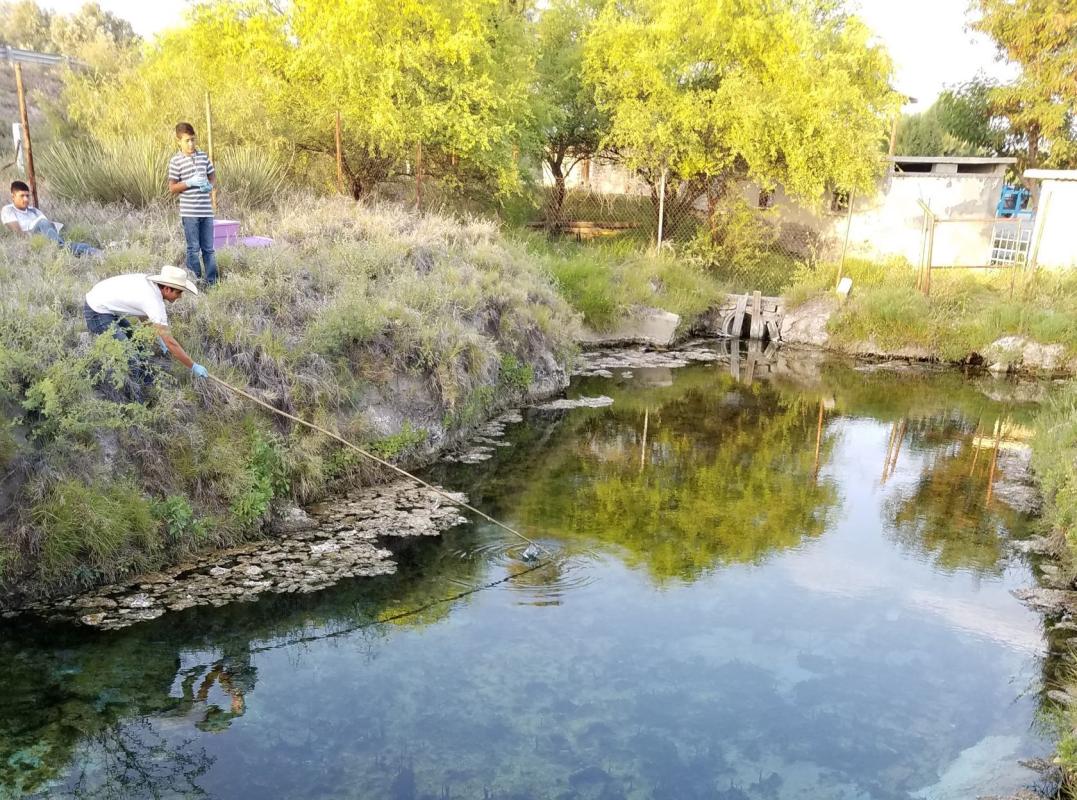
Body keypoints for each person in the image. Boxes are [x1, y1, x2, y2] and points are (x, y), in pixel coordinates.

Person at [84, 265, 210, 387]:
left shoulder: (151, 288)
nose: (180, 296)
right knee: (129, 357)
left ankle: (146, 382)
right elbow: (171, 343)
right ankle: (133, 396)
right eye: (179, 292)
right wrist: (193, 366)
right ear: (167, 289)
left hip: (106, 306)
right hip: (97, 310)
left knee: (137, 344)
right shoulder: (154, 301)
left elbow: (143, 313)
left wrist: (157, 336)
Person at [167, 122, 218, 286]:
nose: (191, 144)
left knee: (209, 249)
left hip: (206, 211)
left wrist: (210, 185)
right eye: (187, 140)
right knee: (193, 249)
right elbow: (172, 187)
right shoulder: (176, 161)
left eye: (193, 140)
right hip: (190, 213)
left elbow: (212, 176)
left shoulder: (203, 156)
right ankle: (194, 283)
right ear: (179, 141)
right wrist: (189, 182)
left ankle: (212, 282)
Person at [2, 180, 102, 257]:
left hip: (48, 235)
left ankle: (84, 249)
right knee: (44, 224)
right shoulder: (8, 210)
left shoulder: (34, 210)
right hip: (33, 236)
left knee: (55, 230)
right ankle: (87, 250)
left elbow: (48, 226)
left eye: (27, 196)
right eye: (22, 196)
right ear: (13, 196)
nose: (26, 199)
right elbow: (18, 233)